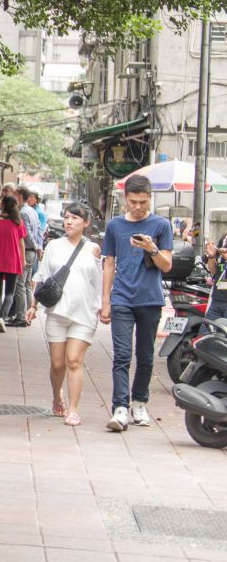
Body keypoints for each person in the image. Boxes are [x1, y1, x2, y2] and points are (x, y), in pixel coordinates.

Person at [102, 174, 173, 432]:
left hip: (150, 299)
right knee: (121, 355)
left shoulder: (161, 225)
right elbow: (109, 263)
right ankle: (120, 407)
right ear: (126, 199)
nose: (138, 207)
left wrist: (152, 249)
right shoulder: (115, 226)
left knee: (145, 356)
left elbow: (167, 265)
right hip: (121, 298)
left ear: (150, 198)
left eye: (143, 201)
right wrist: (105, 301)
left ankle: (140, 401)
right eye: (134, 201)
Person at [27, 202, 102, 426]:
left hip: (84, 314)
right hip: (57, 312)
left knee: (74, 360)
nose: (69, 222)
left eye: (75, 218)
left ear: (86, 223)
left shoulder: (93, 249)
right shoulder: (53, 247)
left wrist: (103, 307)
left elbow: (98, 283)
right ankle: (56, 394)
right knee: (57, 363)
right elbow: (41, 277)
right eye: (67, 217)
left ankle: (74, 409)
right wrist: (33, 306)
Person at [0, 195, 27, 333]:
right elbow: (21, 244)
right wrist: (23, 259)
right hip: (13, 259)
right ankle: (3, 316)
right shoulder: (18, 223)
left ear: (1, 205)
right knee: (10, 292)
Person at [12, 186, 43, 326]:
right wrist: (38, 247)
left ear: (19, 195)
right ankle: (26, 314)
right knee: (27, 284)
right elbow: (39, 231)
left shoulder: (23, 212)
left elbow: (27, 234)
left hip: (27, 251)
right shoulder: (32, 210)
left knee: (21, 285)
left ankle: (21, 316)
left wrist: (36, 247)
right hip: (32, 251)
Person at [202, 231, 227, 326]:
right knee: (206, 334)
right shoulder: (224, 239)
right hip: (217, 299)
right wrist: (211, 257)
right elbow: (214, 271)